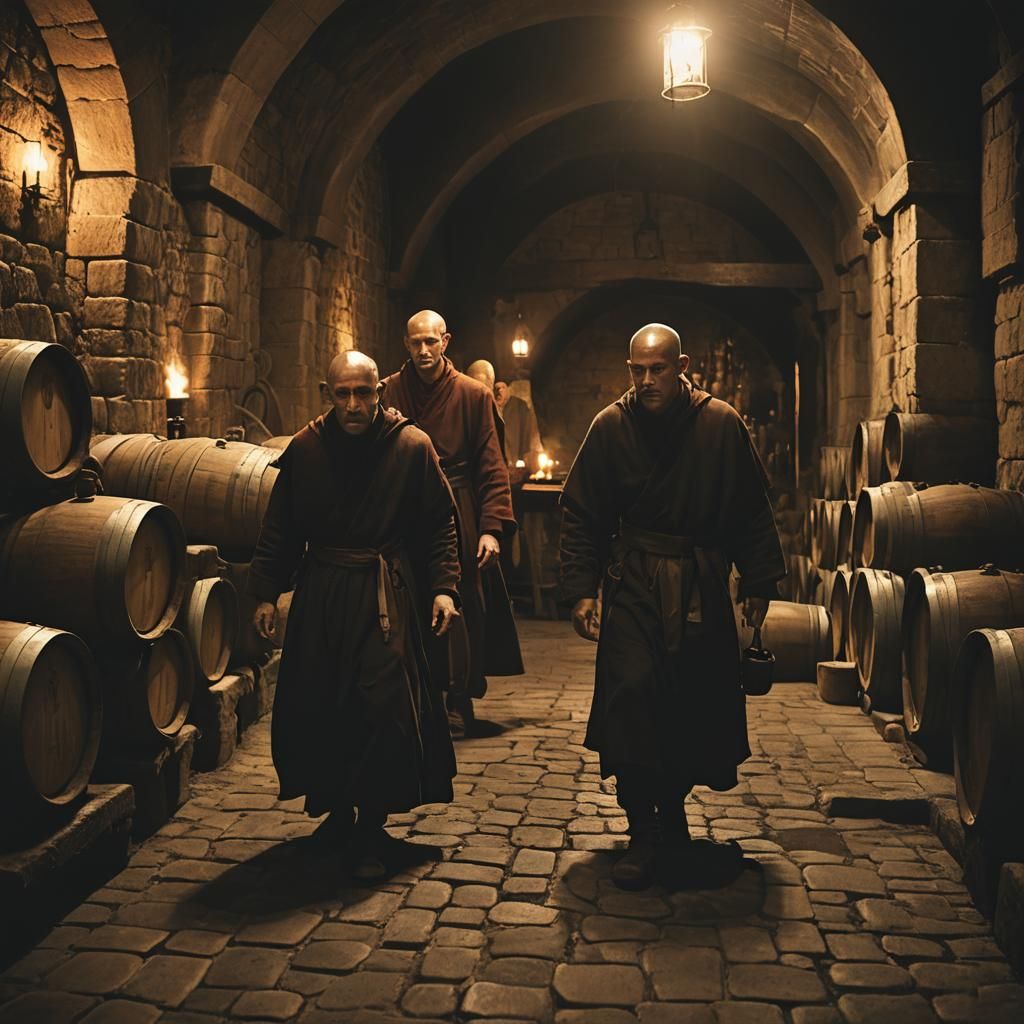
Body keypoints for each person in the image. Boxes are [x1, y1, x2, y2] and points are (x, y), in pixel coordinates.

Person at [559, 323, 785, 891]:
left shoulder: (720, 424)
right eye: (637, 370)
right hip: (634, 581)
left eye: (658, 369)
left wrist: (758, 579)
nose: (646, 380)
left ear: (681, 365)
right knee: (633, 695)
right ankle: (643, 828)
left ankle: (674, 814)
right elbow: (582, 513)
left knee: (691, 700)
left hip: (700, 582)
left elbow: (750, 509)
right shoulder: (611, 426)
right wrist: (582, 588)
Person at [249, 350, 461, 878]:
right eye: (342, 393)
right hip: (322, 593)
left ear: (379, 392)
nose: (352, 404)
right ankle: (338, 814)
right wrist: (265, 592)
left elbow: (439, 523)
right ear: (328, 394)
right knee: (322, 702)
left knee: (380, 702)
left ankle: (371, 825)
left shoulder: (411, 447)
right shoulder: (306, 449)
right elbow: (281, 528)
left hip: (383, 592)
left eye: (362, 393)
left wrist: (443, 588)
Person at [382, 311, 523, 735]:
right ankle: (414, 699)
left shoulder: (472, 395)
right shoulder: (387, 390)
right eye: (415, 343)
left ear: (446, 340)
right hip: (403, 510)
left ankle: (458, 696)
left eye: (431, 341)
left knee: (462, 602)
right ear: (405, 344)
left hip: (458, 506)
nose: (423, 351)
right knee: (405, 599)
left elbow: (490, 463)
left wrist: (490, 527)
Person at [494, 381, 544, 478]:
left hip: (516, 460)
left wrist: (522, 457)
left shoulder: (519, 407)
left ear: (508, 389)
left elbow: (526, 434)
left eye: (502, 388)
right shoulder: (493, 406)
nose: (499, 391)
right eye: (496, 389)